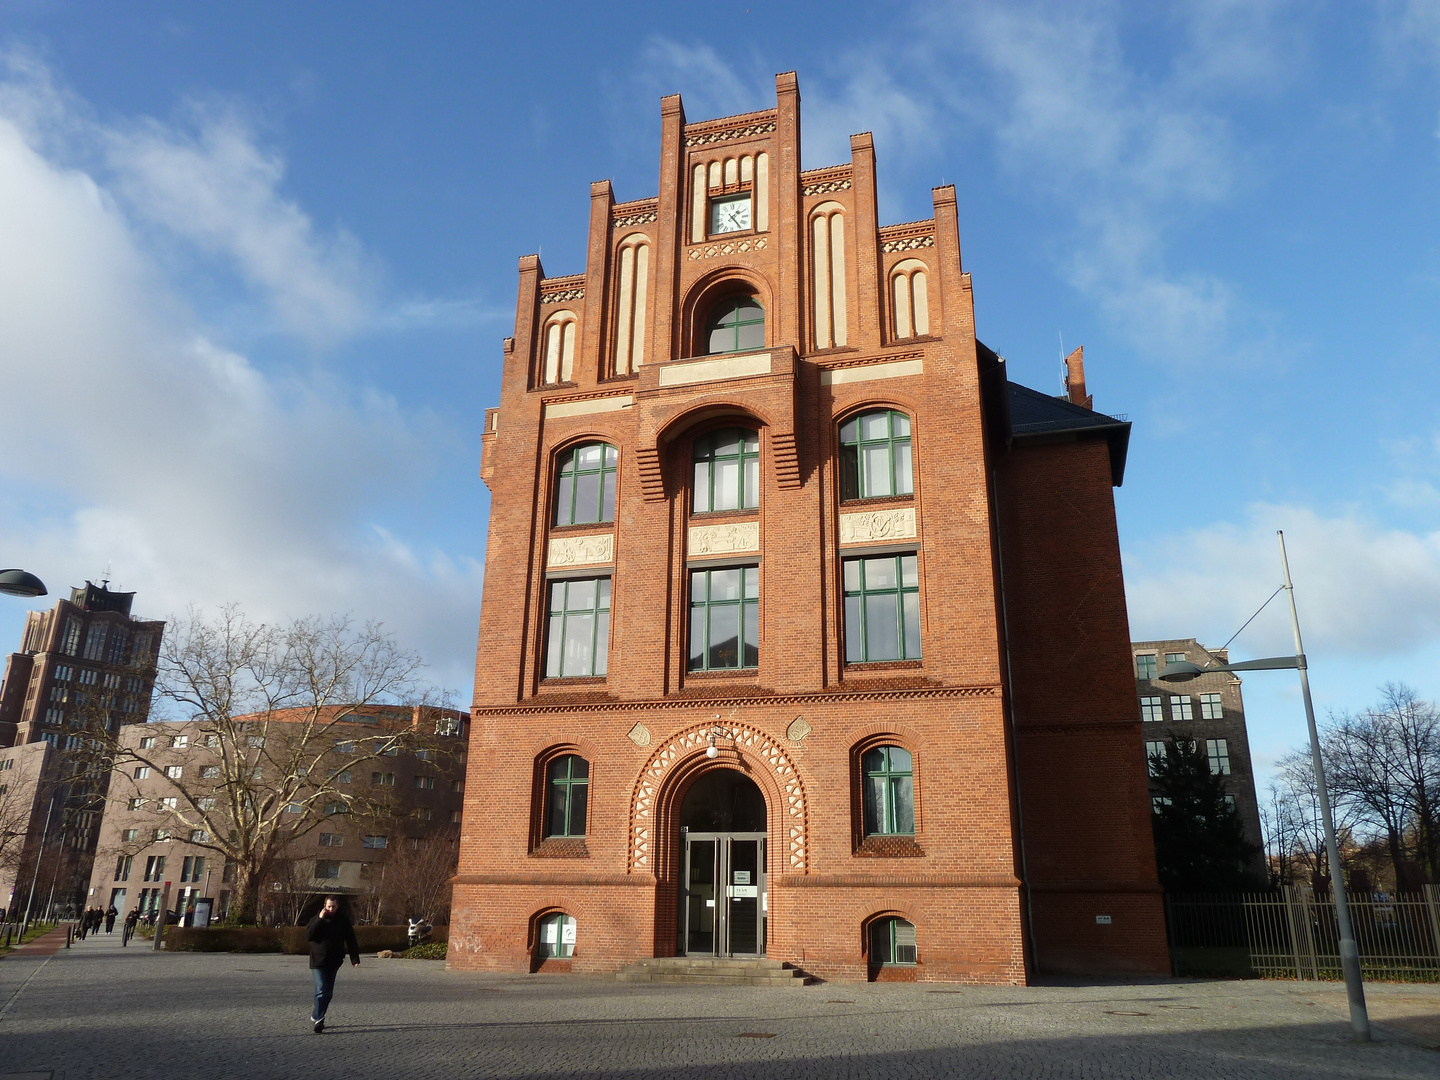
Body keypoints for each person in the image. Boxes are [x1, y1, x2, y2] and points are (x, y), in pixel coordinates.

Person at [305, 896, 359, 1033]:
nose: (331, 909)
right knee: (321, 989)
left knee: (328, 993)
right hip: (318, 961)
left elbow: (351, 939)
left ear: (337, 906)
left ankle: (316, 1015)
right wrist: (320, 919)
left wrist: (354, 958)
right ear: (324, 905)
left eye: (333, 906)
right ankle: (319, 1020)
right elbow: (309, 936)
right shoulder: (316, 918)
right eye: (328, 906)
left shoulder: (343, 920)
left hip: (334, 960)